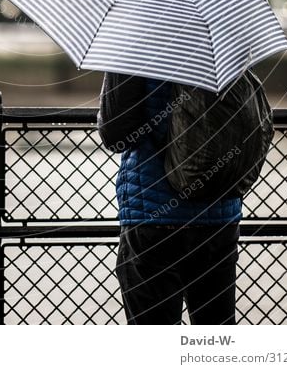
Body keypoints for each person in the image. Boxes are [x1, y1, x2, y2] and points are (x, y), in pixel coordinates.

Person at [97, 72, 242, 325]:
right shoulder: (226, 40)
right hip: (218, 214)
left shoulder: (133, 41)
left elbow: (116, 134)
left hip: (154, 216)